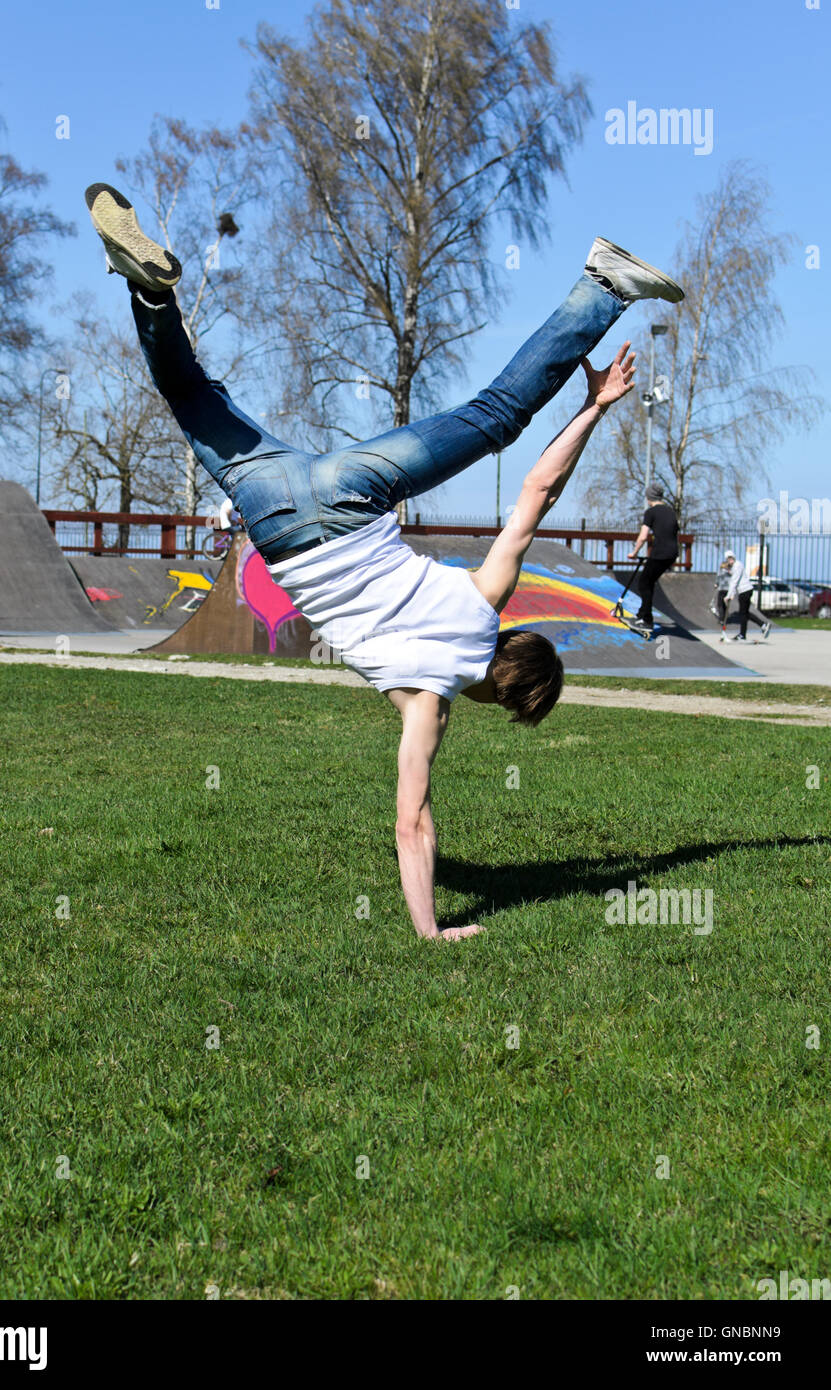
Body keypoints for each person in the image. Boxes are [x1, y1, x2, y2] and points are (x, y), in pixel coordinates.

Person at [85, 182, 684, 941]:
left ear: (512, 644)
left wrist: (593, 407)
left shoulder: (484, 598)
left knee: (493, 416)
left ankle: (603, 285)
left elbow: (536, 488)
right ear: (497, 698)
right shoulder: (426, 704)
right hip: (275, 513)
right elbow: (411, 823)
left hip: (349, 489)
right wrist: (430, 929)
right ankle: (149, 301)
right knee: (187, 392)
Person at [627, 482, 679, 632]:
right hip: (672, 553)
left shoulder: (651, 512)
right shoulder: (670, 511)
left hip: (660, 553)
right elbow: (673, 531)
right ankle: (642, 614)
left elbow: (643, 537)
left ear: (649, 498)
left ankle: (646, 620)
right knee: (649, 582)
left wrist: (634, 553)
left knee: (644, 582)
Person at [723, 550, 771, 642]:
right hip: (744, 591)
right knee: (745, 613)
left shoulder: (737, 565)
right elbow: (734, 579)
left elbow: (734, 581)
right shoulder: (735, 566)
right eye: (728, 559)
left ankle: (743, 634)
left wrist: (729, 595)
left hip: (745, 591)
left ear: (733, 557)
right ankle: (763, 625)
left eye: (731, 558)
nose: (730, 561)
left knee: (743, 614)